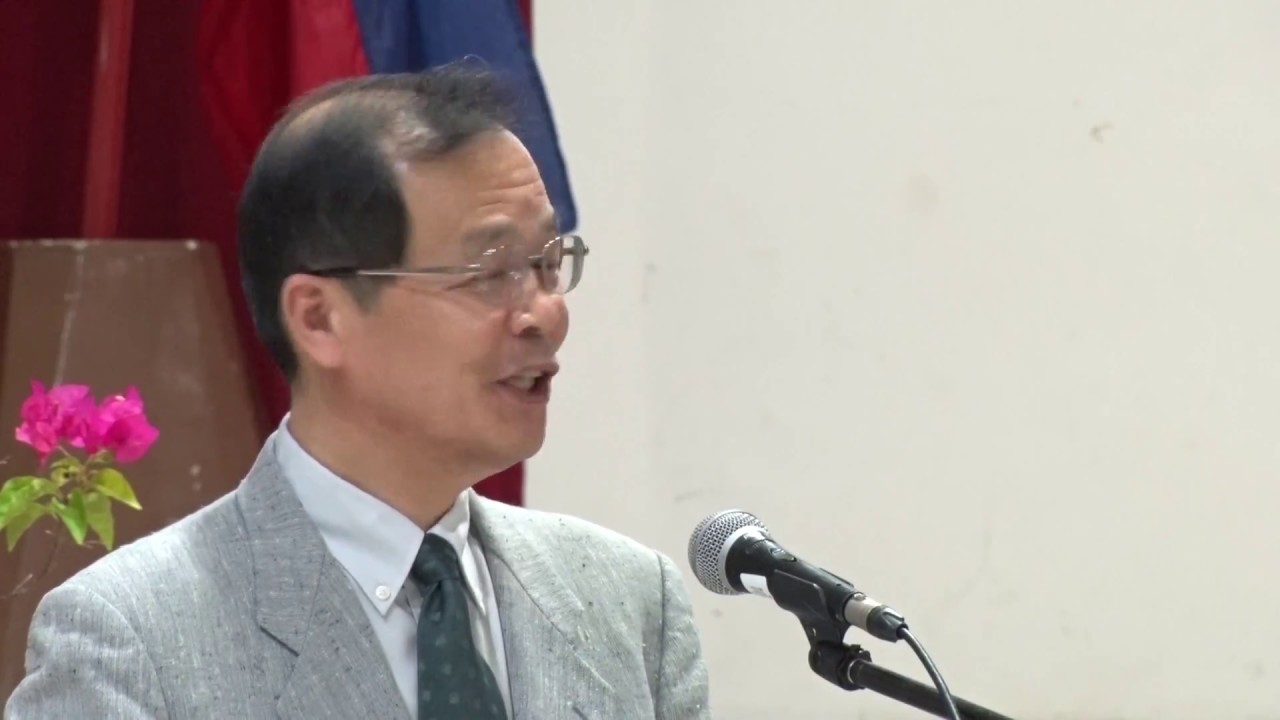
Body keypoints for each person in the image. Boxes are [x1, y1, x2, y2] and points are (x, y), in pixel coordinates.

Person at [6, 65, 711, 719]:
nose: (545, 314)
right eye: (491, 271)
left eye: (549, 263)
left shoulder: (629, 600)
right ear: (318, 318)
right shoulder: (131, 641)